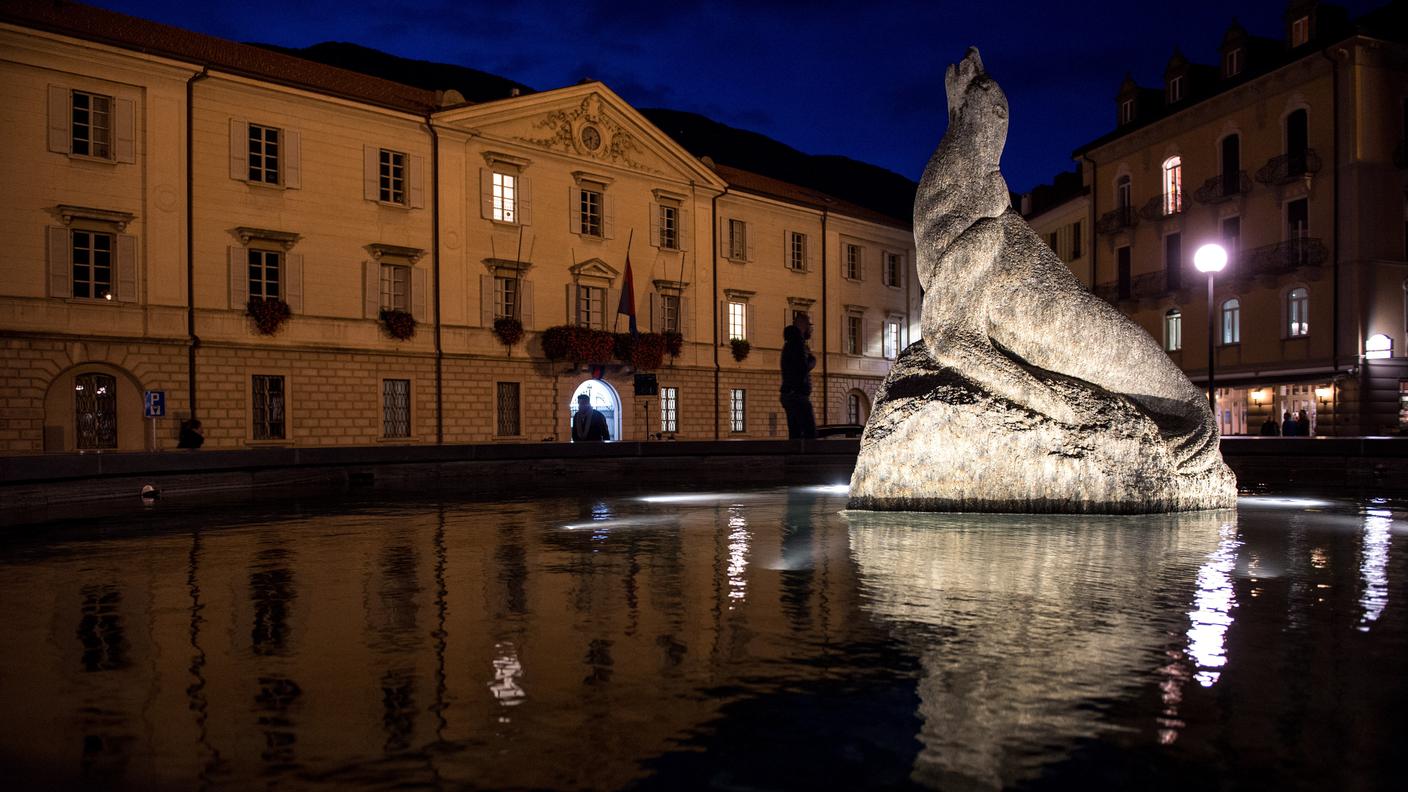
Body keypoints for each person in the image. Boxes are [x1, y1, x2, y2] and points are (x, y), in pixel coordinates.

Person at [780, 314, 817, 439]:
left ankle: (796, 458)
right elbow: (802, 367)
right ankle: (806, 459)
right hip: (797, 395)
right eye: (810, 325)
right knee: (809, 434)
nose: (811, 329)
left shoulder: (790, 342)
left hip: (790, 394)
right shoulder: (798, 343)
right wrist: (812, 360)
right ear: (803, 325)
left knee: (795, 434)